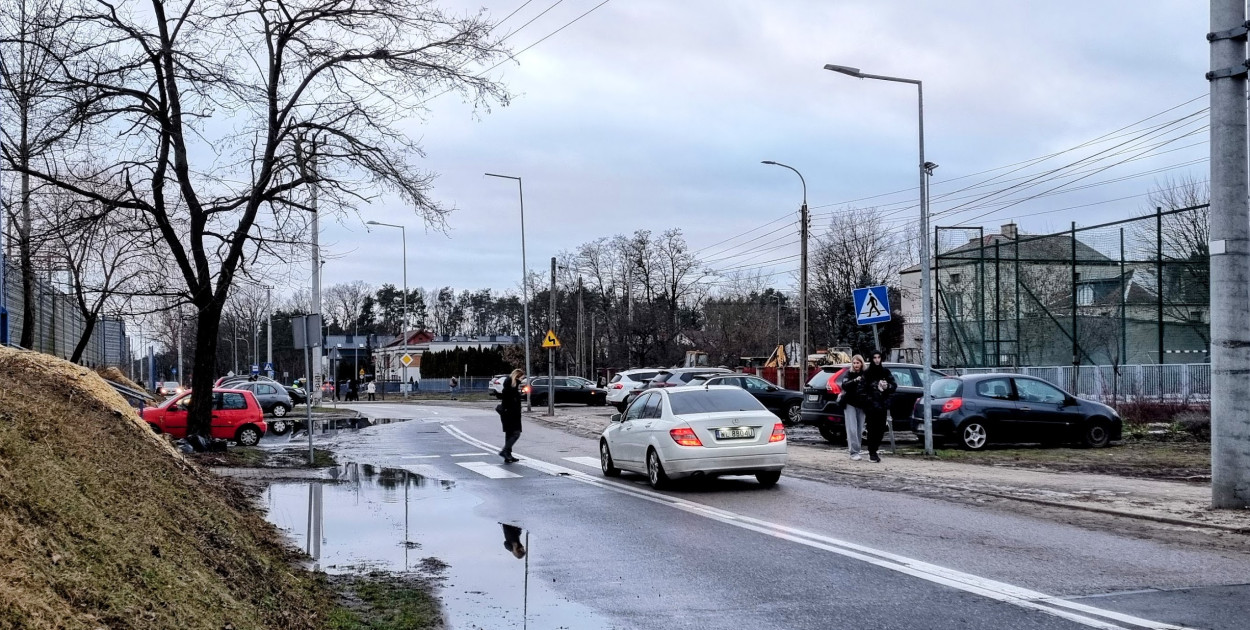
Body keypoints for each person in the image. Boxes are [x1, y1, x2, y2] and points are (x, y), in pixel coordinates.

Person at [857, 351, 897, 463]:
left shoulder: (885, 372)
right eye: (874, 357)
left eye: (879, 357)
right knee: (872, 429)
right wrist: (869, 399)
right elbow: (861, 390)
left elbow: (894, 386)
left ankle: (875, 449)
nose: (877, 360)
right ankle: (872, 452)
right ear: (871, 359)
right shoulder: (867, 373)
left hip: (882, 406)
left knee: (880, 430)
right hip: (871, 407)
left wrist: (887, 386)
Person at [840, 355, 869, 461]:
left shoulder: (866, 374)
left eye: (858, 363)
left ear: (862, 363)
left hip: (862, 404)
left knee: (859, 429)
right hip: (850, 403)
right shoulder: (849, 374)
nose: (856, 365)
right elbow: (845, 385)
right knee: (852, 428)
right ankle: (853, 452)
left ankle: (858, 449)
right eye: (854, 363)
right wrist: (855, 380)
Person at [498, 369, 524, 463]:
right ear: (517, 377)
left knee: (509, 434)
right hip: (511, 414)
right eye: (522, 377)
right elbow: (510, 401)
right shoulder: (511, 388)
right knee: (516, 433)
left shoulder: (510, 386)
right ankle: (505, 451)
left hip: (508, 414)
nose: (522, 380)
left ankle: (508, 455)